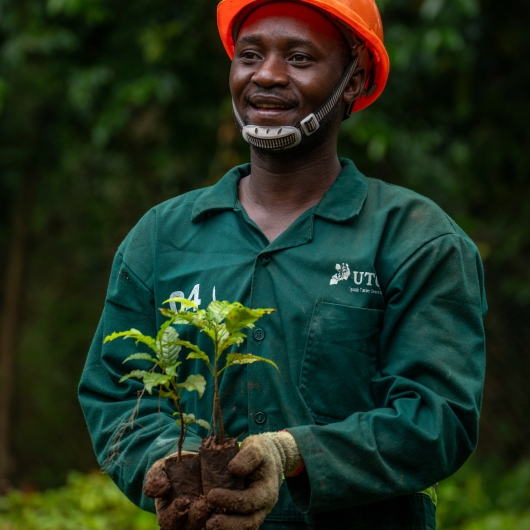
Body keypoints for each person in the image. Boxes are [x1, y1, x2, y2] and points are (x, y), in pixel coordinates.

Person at [79, 1, 487, 529]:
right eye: (250, 55)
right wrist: (162, 462)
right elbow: (115, 394)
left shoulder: (416, 238)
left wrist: (292, 453)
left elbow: (438, 418)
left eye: (299, 57)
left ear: (355, 77)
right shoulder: (163, 237)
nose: (267, 75)